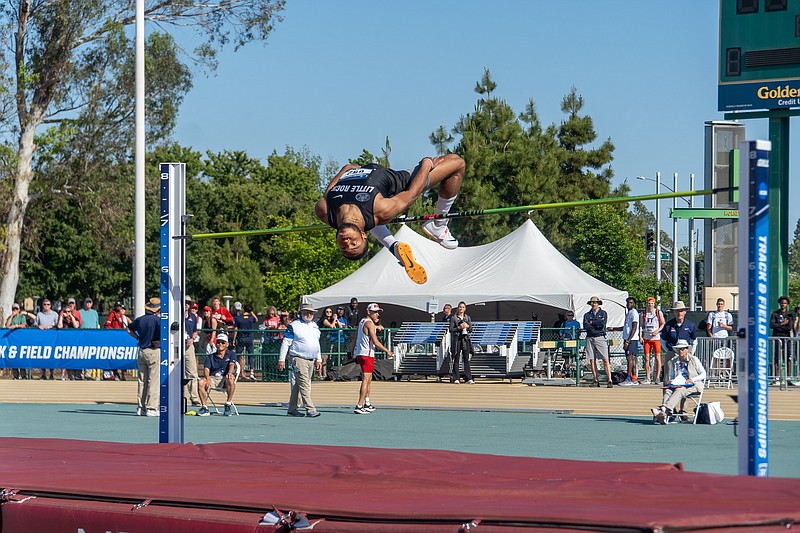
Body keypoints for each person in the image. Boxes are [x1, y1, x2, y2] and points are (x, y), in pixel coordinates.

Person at [315, 154, 466, 284]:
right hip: (401, 182)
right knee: (457, 163)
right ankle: (439, 225)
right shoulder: (382, 209)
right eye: (354, 244)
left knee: (366, 218)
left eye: (343, 247)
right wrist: (426, 164)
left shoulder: (324, 210)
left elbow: (344, 172)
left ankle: (393, 246)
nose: (347, 243)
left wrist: (348, 170)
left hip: (367, 172)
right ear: (363, 235)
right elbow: (411, 194)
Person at [278, 303, 323, 418]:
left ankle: (292, 409)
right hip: (298, 359)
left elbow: (316, 344)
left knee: (299, 385)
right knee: (304, 384)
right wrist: (281, 359)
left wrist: (318, 359)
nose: (309, 314)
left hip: (311, 359)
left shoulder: (314, 326)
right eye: (306, 312)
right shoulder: (294, 325)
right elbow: (286, 342)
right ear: (301, 313)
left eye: (311, 312)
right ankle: (310, 408)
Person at [650, 339, 706, 425]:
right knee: (668, 390)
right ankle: (665, 414)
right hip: (679, 384)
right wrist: (672, 380)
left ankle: (663, 410)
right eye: (679, 349)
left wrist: (692, 379)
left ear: (687, 350)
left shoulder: (694, 359)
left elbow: (703, 374)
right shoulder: (674, 361)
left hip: (694, 385)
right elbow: (672, 376)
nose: (681, 351)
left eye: (683, 349)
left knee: (680, 390)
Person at [352, 303, 393, 414]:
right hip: (367, 355)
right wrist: (387, 351)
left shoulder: (362, 322)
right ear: (369, 312)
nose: (377, 315)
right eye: (374, 312)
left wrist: (351, 350)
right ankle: (359, 405)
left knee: (369, 379)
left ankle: (367, 403)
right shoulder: (369, 323)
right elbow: (375, 341)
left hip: (360, 353)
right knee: (366, 380)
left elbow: (355, 337)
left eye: (377, 312)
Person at [127, 297, 161, 417]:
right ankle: (151, 407)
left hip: (141, 350)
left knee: (142, 381)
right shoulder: (158, 321)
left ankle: (140, 407)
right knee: (153, 381)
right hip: (153, 350)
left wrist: (137, 338)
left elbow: (128, 328)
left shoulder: (140, 319)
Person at [197, 333, 238, 417]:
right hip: (213, 378)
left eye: (223, 342)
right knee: (201, 382)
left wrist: (230, 373)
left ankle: (228, 404)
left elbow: (231, 365)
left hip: (225, 379)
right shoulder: (210, 356)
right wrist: (207, 378)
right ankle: (204, 407)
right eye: (218, 342)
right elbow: (206, 369)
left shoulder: (231, 354)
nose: (220, 344)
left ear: (227, 344)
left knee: (231, 379)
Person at [583, 296, 613, 388]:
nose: (593, 304)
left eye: (595, 303)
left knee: (605, 359)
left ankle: (609, 380)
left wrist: (592, 323)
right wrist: (594, 324)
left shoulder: (603, 313)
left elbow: (602, 324)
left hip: (600, 336)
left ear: (598, 304)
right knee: (592, 360)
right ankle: (596, 379)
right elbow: (586, 326)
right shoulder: (587, 315)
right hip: (590, 337)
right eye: (592, 303)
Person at [640, 297, 665, 384]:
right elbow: (641, 325)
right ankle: (647, 377)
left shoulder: (658, 313)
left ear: (654, 304)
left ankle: (657, 377)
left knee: (657, 357)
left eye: (652, 303)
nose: (650, 305)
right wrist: (640, 336)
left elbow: (663, 323)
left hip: (656, 338)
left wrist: (657, 331)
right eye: (649, 303)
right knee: (647, 358)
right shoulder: (643, 313)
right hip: (647, 338)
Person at [769, 296, 794, 384]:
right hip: (777, 338)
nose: (783, 305)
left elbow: (789, 327)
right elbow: (771, 325)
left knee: (787, 358)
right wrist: (782, 324)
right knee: (776, 358)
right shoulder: (775, 314)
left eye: (785, 303)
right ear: (779, 303)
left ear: (787, 304)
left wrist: (778, 326)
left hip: (786, 339)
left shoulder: (789, 315)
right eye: (782, 303)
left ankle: (788, 379)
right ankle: (776, 378)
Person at [449, 301, 475, 384]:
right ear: (458, 308)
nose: (461, 309)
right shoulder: (454, 318)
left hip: (465, 339)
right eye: (460, 307)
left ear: (465, 308)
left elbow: (471, 329)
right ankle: (456, 378)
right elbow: (451, 329)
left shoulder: (467, 318)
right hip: (457, 339)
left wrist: (467, 326)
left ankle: (468, 378)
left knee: (466, 358)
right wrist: (459, 327)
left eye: (463, 307)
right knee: (456, 358)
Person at [6, 303, 34, 379]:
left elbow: (24, 325)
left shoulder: (22, 316)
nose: (15, 310)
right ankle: (15, 375)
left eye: (16, 309)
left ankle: (23, 375)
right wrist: (12, 316)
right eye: (13, 309)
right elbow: (7, 325)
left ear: (19, 310)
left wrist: (16, 326)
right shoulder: (10, 317)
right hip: (12, 341)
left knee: (21, 358)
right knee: (13, 358)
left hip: (21, 340)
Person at [104, 301, 131, 380]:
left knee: (123, 356)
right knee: (114, 356)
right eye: (118, 306)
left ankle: (123, 374)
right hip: (114, 337)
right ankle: (116, 373)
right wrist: (114, 331)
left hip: (122, 337)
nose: (119, 308)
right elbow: (108, 325)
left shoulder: (122, 315)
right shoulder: (112, 314)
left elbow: (127, 324)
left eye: (121, 307)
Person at [233, 303, 259, 381]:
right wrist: (251, 312)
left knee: (238, 356)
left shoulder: (238, 318)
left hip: (241, 339)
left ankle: (236, 371)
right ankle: (251, 372)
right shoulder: (251, 318)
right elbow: (256, 319)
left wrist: (234, 339)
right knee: (250, 355)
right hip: (249, 339)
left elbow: (236, 329)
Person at [34, 299, 59, 380]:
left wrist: (51, 326)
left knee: (52, 356)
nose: (46, 306)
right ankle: (43, 374)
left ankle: (52, 374)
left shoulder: (55, 314)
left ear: (50, 306)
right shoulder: (39, 314)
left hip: (52, 338)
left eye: (48, 304)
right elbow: (35, 324)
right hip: (42, 339)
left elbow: (58, 324)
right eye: (44, 304)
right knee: (42, 356)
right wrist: (38, 326)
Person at [58, 298, 82, 380]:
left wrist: (71, 316)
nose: (67, 313)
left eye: (68, 311)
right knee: (64, 357)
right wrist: (61, 316)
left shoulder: (75, 317)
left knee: (74, 356)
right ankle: (63, 374)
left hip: (74, 340)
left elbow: (76, 326)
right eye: (65, 311)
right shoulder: (62, 318)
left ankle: (75, 374)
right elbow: (59, 326)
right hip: (64, 339)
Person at [183, 300, 201, 406]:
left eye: (188, 303)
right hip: (176, 345)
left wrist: (192, 339)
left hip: (188, 345)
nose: (186, 305)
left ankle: (194, 397)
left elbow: (195, 331)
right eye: (184, 303)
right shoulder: (175, 314)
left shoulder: (193, 317)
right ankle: (178, 396)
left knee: (192, 372)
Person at [620, 297, 640, 386]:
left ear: (634, 304)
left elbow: (634, 327)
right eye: (628, 303)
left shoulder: (634, 313)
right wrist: (614, 328)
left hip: (632, 339)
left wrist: (628, 341)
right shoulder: (628, 313)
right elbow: (626, 327)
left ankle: (629, 377)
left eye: (631, 303)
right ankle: (634, 378)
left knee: (630, 358)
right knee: (631, 358)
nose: (629, 304)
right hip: (627, 338)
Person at [79, 297, 100, 379]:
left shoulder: (94, 313)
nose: (88, 304)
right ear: (84, 303)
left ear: (91, 304)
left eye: (89, 302)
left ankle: (88, 373)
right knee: (81, 354)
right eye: (86, 302)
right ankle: (81, 373)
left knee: (90, 354)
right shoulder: (80, 312)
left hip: (92, 336)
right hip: (82, 336)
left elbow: (96, 324)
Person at [317, 307, 339, 379]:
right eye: (327, 312)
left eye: (330, 312)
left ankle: (324, 373)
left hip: (328, 340)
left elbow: (340, 326)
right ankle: (319, 373)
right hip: (322, 340)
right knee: (321, 357)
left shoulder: (331, 320)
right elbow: (331, 326)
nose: (329, 313)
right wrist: (335, 319)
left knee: (325, 358)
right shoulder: (324, 320)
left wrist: (336, 320)